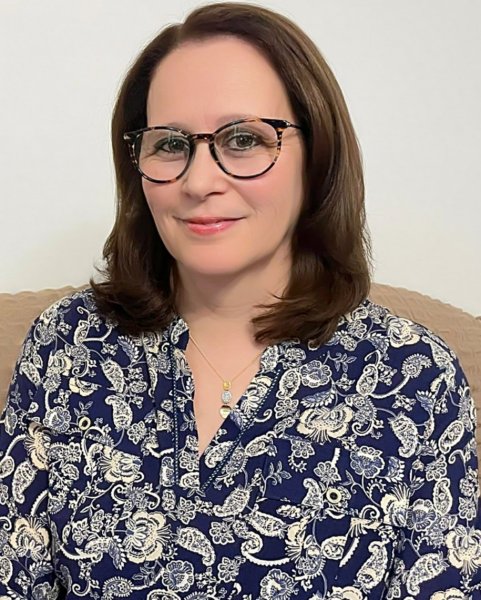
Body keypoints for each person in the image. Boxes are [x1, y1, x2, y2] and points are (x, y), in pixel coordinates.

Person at [0, 2, 480, 598]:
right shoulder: (66, 348)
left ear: (318, 156)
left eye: (244, 139)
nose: (199, 181)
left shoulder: (414, 378)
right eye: (169, 144)